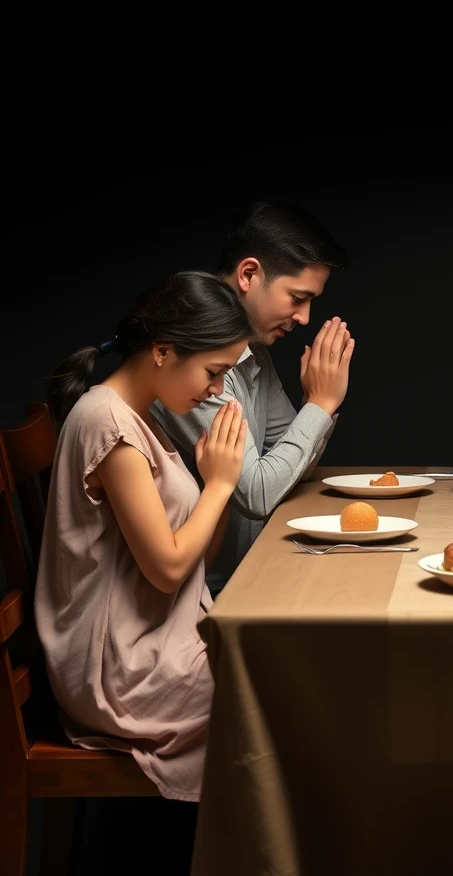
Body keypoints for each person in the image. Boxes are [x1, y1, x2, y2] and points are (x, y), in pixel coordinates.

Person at [34, 270, 252, 813]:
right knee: (282, 692)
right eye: (214, 371)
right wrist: (221, 484)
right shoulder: (109, 423)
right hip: (120, 670)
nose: (217, 390)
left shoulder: (140, 417)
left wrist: (211, 485)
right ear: (162, 351)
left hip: (152, 640)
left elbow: (194, 552)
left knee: (290, 670)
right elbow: (169, 570)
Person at [151, 199, 354, 597]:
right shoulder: (196, 361)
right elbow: (258, 493)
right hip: (209, 594)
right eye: (297, 298)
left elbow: (291, 464)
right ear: (249, 274)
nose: (305, 318)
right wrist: (321, 405)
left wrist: (319, 404)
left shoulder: (251, 351)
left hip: (254, 569)